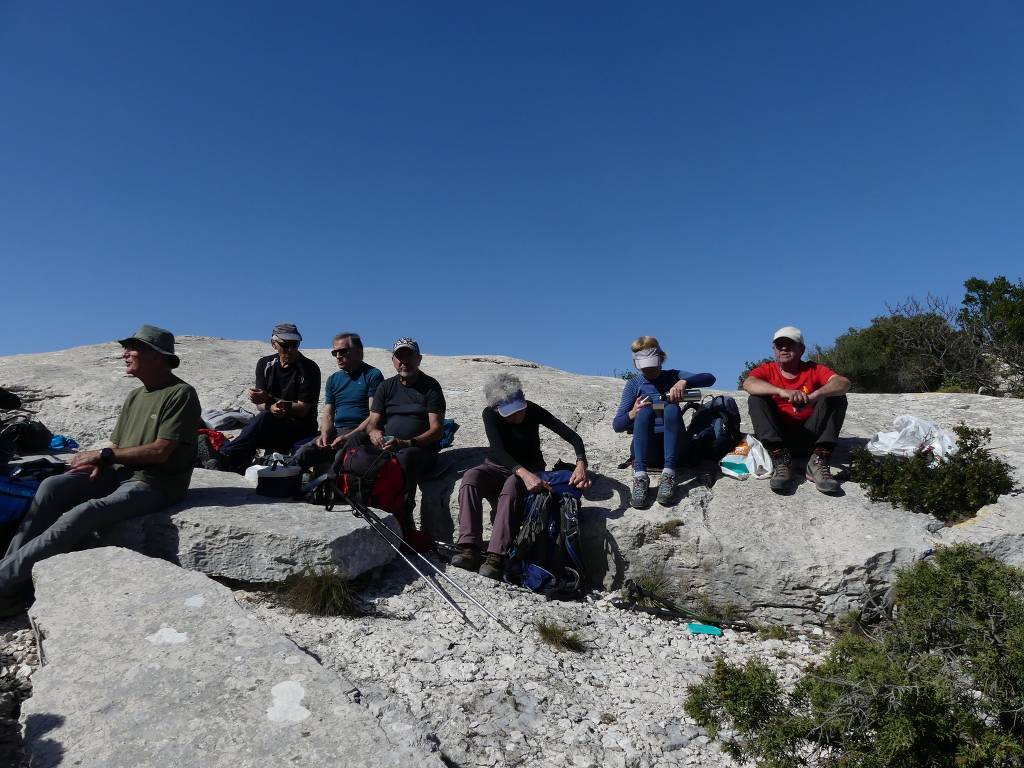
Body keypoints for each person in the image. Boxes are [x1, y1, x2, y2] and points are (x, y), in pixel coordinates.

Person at [0, 325, 202, 616]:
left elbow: (160, 452)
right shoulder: (135, 396)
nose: (125, 353)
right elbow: (118, 445)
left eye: (134, 348)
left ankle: (4, 582)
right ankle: (10, 587)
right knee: (52, 487)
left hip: (155, 483)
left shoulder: (180, 393)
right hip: (119, 474)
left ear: (157, 356)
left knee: (85, 512)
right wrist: (100, 462)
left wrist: (105, 454)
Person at [452, 373, 590, 579]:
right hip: (498, 466)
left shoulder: (532, 410)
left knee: (510, 487)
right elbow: (497, 450)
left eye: (519, 409)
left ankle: (496, 557)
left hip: (531, 467)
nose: (517, 416)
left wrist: (581, 463)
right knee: (471, 478)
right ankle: (468, 548)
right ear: (496, 408)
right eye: (510, 413)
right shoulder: (490, 414)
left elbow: (572, 436)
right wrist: (524, 475)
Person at [343, 338, 445, 532]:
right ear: (393, 360)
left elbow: (436, 430)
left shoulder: (431, 387)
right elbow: (373, 422)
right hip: (389, 445)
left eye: (410, 356)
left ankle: (403, 513)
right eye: (400, 357)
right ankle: (350, 496)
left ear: (419, 359)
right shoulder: (386, 387)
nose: (404, 361)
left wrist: (408, 442)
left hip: (418, 449)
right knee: (356, 440)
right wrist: (374, 433)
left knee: (406, 456)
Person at [741, 326, 850, 494]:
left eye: (790, 344)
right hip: (780, 439)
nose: (784, 348)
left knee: (836, 395)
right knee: (756, 399)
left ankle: (819, 460)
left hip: (810, 437)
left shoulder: (813, 370)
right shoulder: (767, 370)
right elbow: (749, 384)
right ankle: (781, 461)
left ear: (802, 349)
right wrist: (782, 392)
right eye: (779, 345)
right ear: (774, 349)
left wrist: (814, 397)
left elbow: (843, 383)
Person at [612, 336, 716, 508]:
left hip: (677, 449)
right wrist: (632, 413)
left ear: (660, 358)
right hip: (648, 450)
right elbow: (617, 425)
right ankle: (640, 476)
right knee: (644, 412)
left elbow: (710, 378)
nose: (649, 370)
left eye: (652, 364)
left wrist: (684, 381)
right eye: (645, 367)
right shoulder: (634, 384)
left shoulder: (673, 376)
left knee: (672, 408)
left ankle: (668, 474)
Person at [211, 323, 321, 471]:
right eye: (285, 345)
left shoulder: (309, 369)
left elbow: (303, 409)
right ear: (274, 344)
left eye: (294, 345)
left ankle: (224, 455)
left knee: (263, 419)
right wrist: (270, 406)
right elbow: (260, 405)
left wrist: (270, 400)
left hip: (299, 428)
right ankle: (231, 461)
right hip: (272, 425)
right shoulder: (265, 364)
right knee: (262, 419)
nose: (290, 350)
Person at [292, 332, 383, 471]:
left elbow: (373, 416)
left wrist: (347, 437)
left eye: (343, 351)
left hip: (360, 432)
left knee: (342, 456)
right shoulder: (334, 379)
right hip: (338, 431)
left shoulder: (372, 375)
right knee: (304, 451)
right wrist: (324, 433)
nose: (338, 356)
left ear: (359, 352)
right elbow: (328, 413)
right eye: (335, 353)